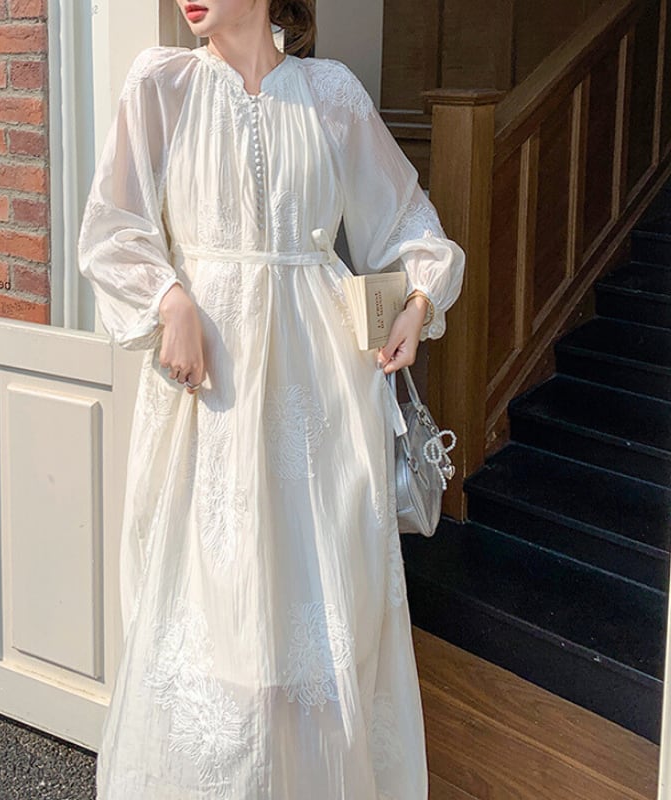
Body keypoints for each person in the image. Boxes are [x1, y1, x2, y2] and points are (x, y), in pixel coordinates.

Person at [77, 0, 466, 797]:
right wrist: (169, 301)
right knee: (211, 624)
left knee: (324, 622)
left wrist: (419, 304)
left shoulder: (332, 94)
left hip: (323, 404)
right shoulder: (162, 85)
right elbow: (111, 229)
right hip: (210, 403)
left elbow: (410, 223)